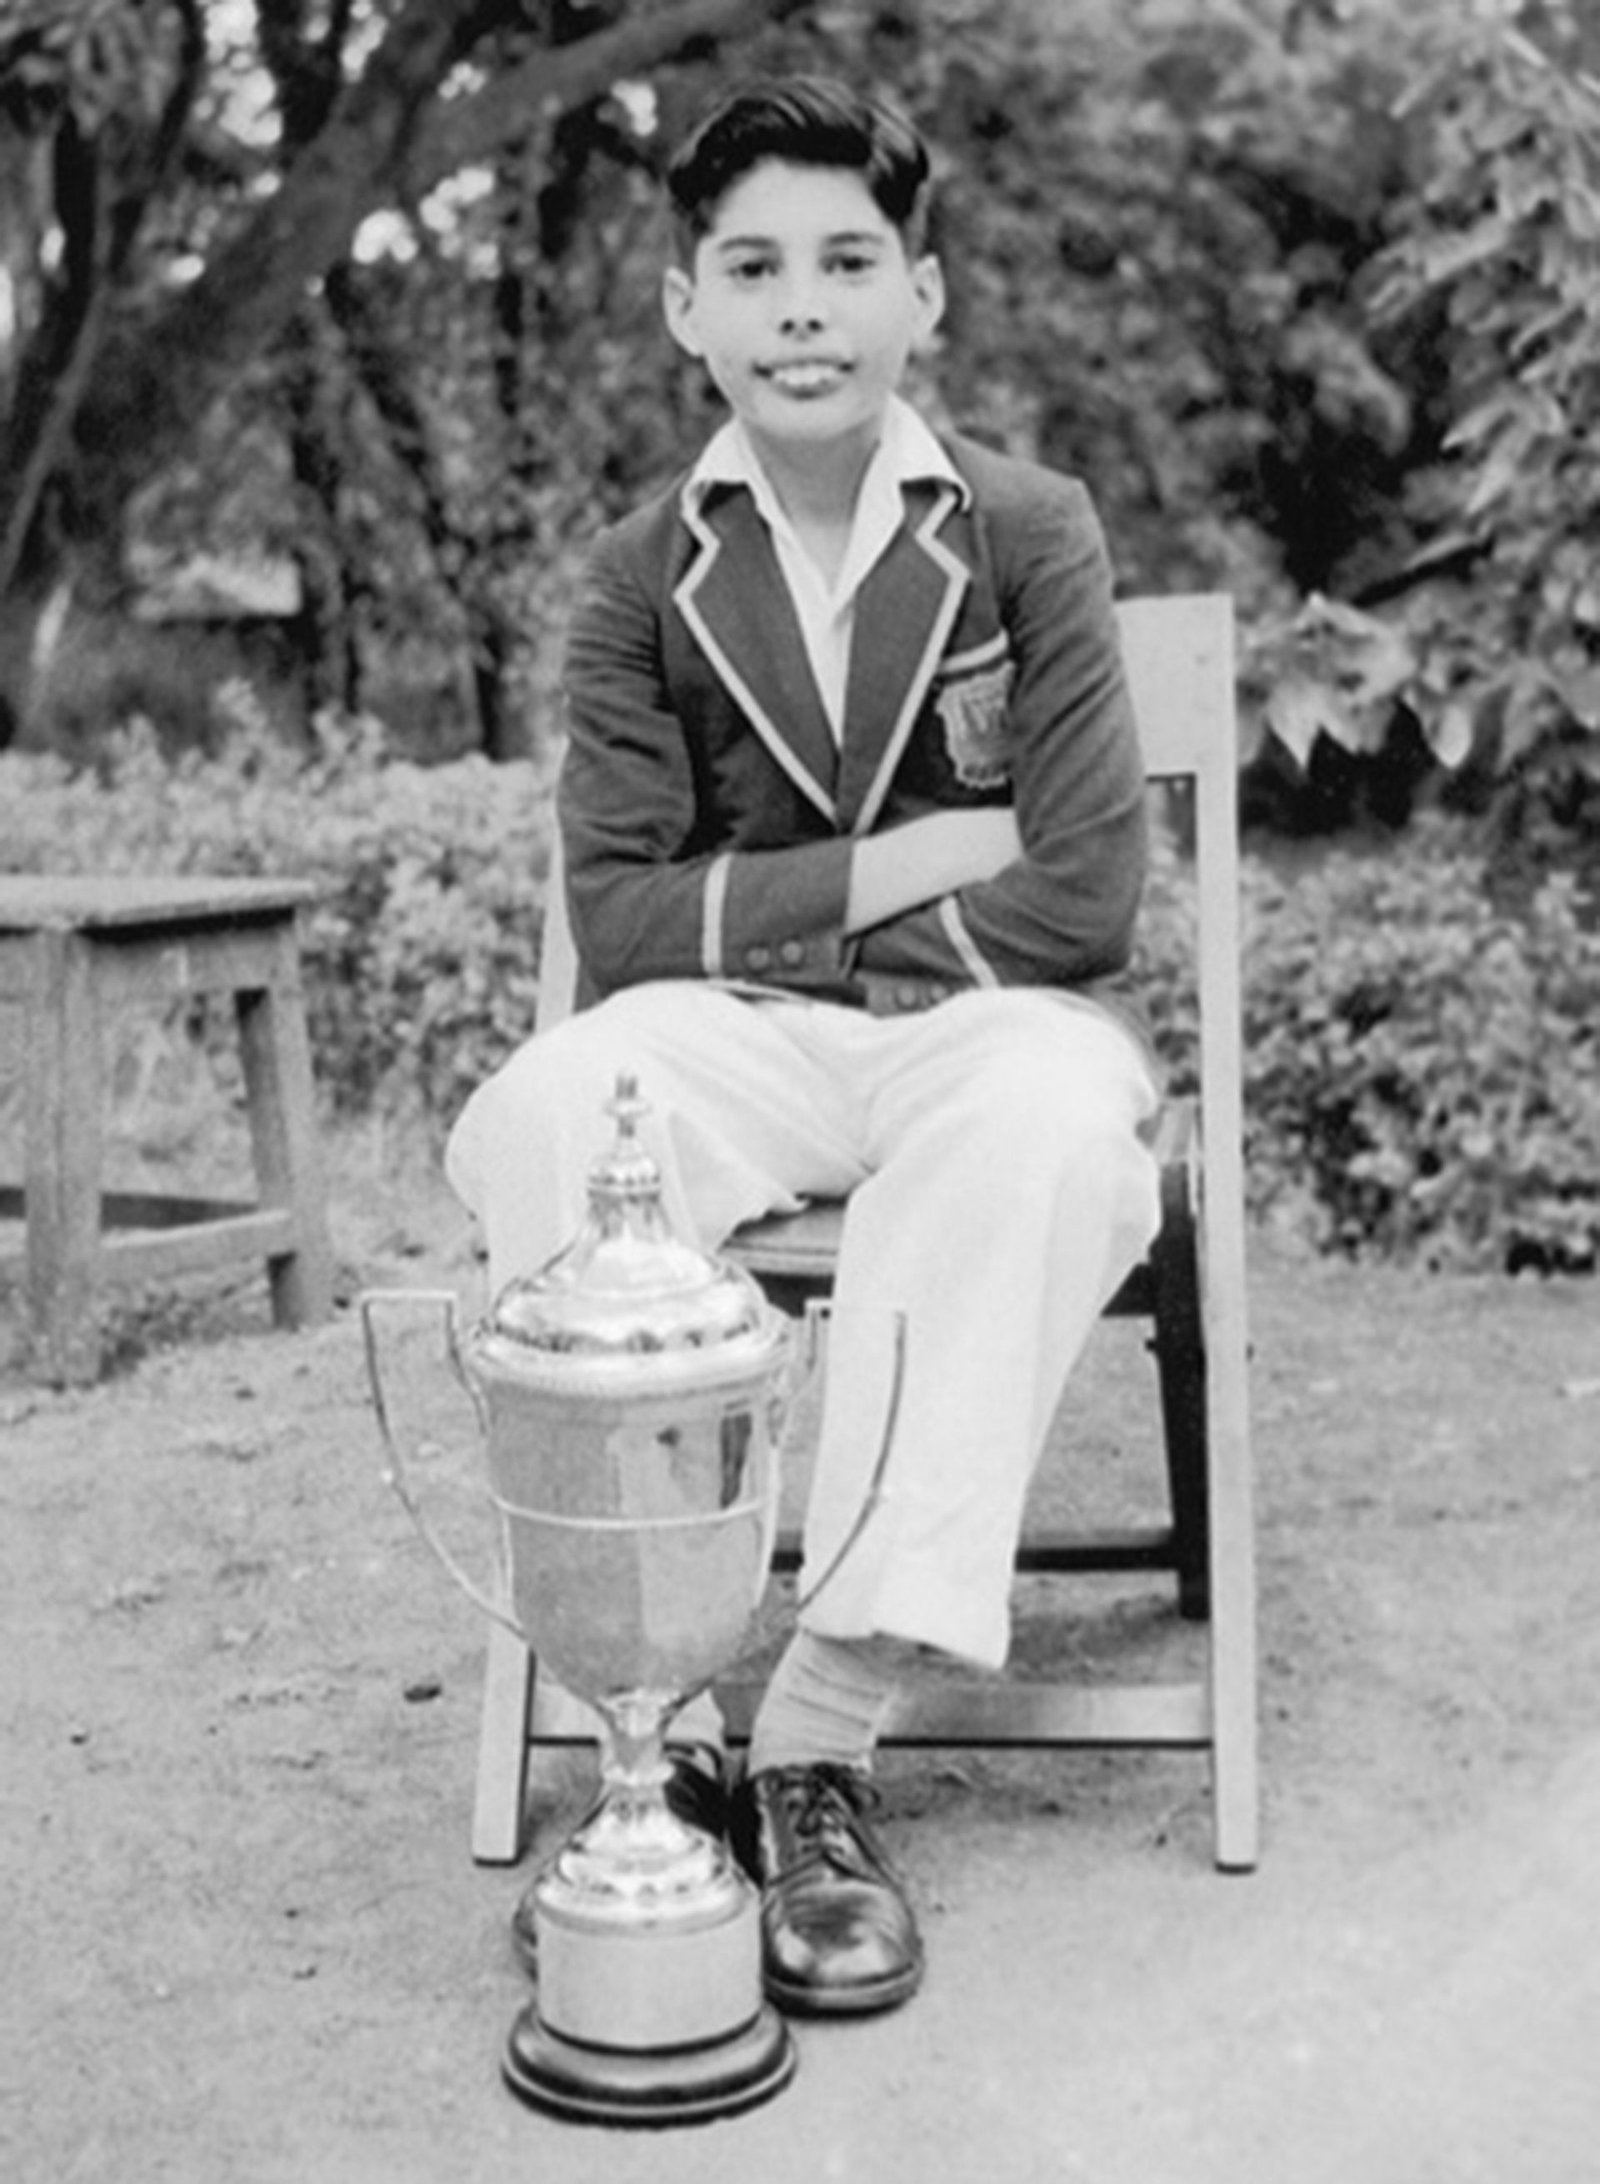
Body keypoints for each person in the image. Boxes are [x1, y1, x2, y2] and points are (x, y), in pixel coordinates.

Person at [445, 74, 1161, 2019]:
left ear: (920, 294)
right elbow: (625, 922)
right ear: (683, 307)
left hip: (981, 1032)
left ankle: (820, 1738)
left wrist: (775, 891)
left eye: (847, 262)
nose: (800, 308)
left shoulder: (1026, 531)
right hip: (737, 1038)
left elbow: (1085, 897)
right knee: (546, 1110)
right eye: (748, 267)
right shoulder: (631, 573)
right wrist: (923, 851)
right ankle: (649, 1737)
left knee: (1053, 1125)